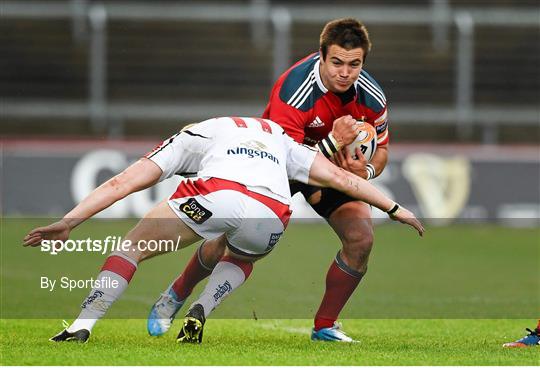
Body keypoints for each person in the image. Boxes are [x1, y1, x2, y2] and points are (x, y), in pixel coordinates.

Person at [23, 117, 424, 344]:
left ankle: (82, 326)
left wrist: (70, 222)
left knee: (132, 248)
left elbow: (122, 183)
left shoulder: (193, 134)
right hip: (271, 211)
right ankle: (202, 308)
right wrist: (394, 207)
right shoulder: (278, 138)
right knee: (240, 254)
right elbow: (341, 178)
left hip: (214, 196)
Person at [148, 18, 392, 342]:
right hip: (272, 164)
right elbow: (285, 162)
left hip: (330, 170)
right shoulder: (294, 90)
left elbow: (383, 149)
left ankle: (324, 326)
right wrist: (332, 146)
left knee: (361, 239)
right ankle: (177, 293)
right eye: (336, 62)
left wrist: (367, 172)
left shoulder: (372, 97)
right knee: (228, 240)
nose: (345, 72)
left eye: (354, 64)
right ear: (321, 56)